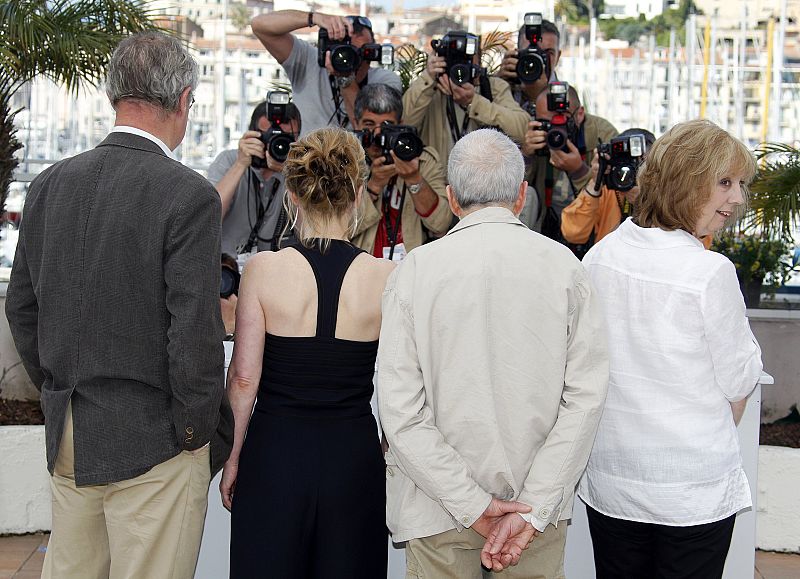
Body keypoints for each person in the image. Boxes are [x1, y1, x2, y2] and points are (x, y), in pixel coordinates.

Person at [5, 32, 232, 579]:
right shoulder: (187, 194)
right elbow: (194, 333)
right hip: (157, 439)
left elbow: (22, 309)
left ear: (113, 95)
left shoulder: (48, 184)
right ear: (183, 100)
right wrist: (196, 433)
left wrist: (59, 387)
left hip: (70, 431)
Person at [377, 128, 609, 578]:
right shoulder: (566, 269)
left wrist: (472, 504)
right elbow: (586, 400)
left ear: (451, 198)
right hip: (532, 513)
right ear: (521, 195)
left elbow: (400, 411)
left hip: (437, 507)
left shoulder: (415, 272)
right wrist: (532, 505)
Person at [577, 119, 764, 579]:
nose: (737, 198)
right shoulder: (709, 273)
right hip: (690, 492)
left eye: (739, 184)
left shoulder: (599, 257)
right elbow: (740, 380)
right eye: (725, 182)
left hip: (614, 482)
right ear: (688, 182)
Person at [221, 127, 396, 578]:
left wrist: (233, 456)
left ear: (293, 196)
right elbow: (404, 386)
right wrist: (384, 451)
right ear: (357, 196)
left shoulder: (263, 270)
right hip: (353, 459)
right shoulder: (385, 276)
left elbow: (243, 378)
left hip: (275, 456)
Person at [252, 11, 401, 135]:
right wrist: (314, 18)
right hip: (308, 160)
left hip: (357, 161)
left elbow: (363, 124)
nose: (353, 59)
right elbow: (259, 25)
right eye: (346, 51)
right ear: (330, 48)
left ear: (373, 52)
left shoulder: (385, 80)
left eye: (362, 51)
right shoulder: (309, 61)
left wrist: (345, 78)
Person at [349, 84, 451, 260]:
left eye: (387, 126)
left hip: (411, 268)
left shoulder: (422, 160)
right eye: (369, 124)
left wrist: (414, 178)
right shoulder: (345, 163)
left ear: (401, 125)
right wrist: (373, 187)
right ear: (355, 123)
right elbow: (339, 229)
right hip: (362, 268)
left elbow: (440, 223)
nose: (378, 134)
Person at [402, 34, 530, 173]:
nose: (460, 67)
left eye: (467, 60)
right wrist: (428, 77)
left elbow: (522, 129)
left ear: (478, 62)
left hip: (481, 181)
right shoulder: (429, 90)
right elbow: (404, 123)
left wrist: (474, 102)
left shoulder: (493, 87)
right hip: (437, 182)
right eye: (454, 60)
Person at [522, 83, 618, 238]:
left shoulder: (602, 134)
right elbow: (515, 190)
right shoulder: (533, 133)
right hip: (545, 225)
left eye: (561, 121)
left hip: (589, 231)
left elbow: (612, 201)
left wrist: (579, 172)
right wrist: (525, 156)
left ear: (579, 114)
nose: (555, 131)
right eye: (547, 123)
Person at [208, 100, 301, 257]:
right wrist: (241, 164)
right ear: (252, 134)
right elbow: (208, 217)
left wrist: (291, 174)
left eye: (286, 139)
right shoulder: (229, 161)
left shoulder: (298, 174)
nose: (277, 145)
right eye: (269, 136)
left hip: (272, 267)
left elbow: (311, 230)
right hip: (225, 264)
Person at [561, 128, 655, 246]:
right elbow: (573, 234)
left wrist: (646, 201)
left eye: (640, 164)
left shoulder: (664, 191)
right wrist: (595, 182)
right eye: (626, 163)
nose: (631, 171)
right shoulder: (609, 189)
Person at [497, 17, 562, 111]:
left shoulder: (566, 97)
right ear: (517, 53)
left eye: (547, 53)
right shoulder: (504, 86)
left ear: (558, 57)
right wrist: (497, 85)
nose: (538, 59)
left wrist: (536, 98)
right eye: (531, 52)